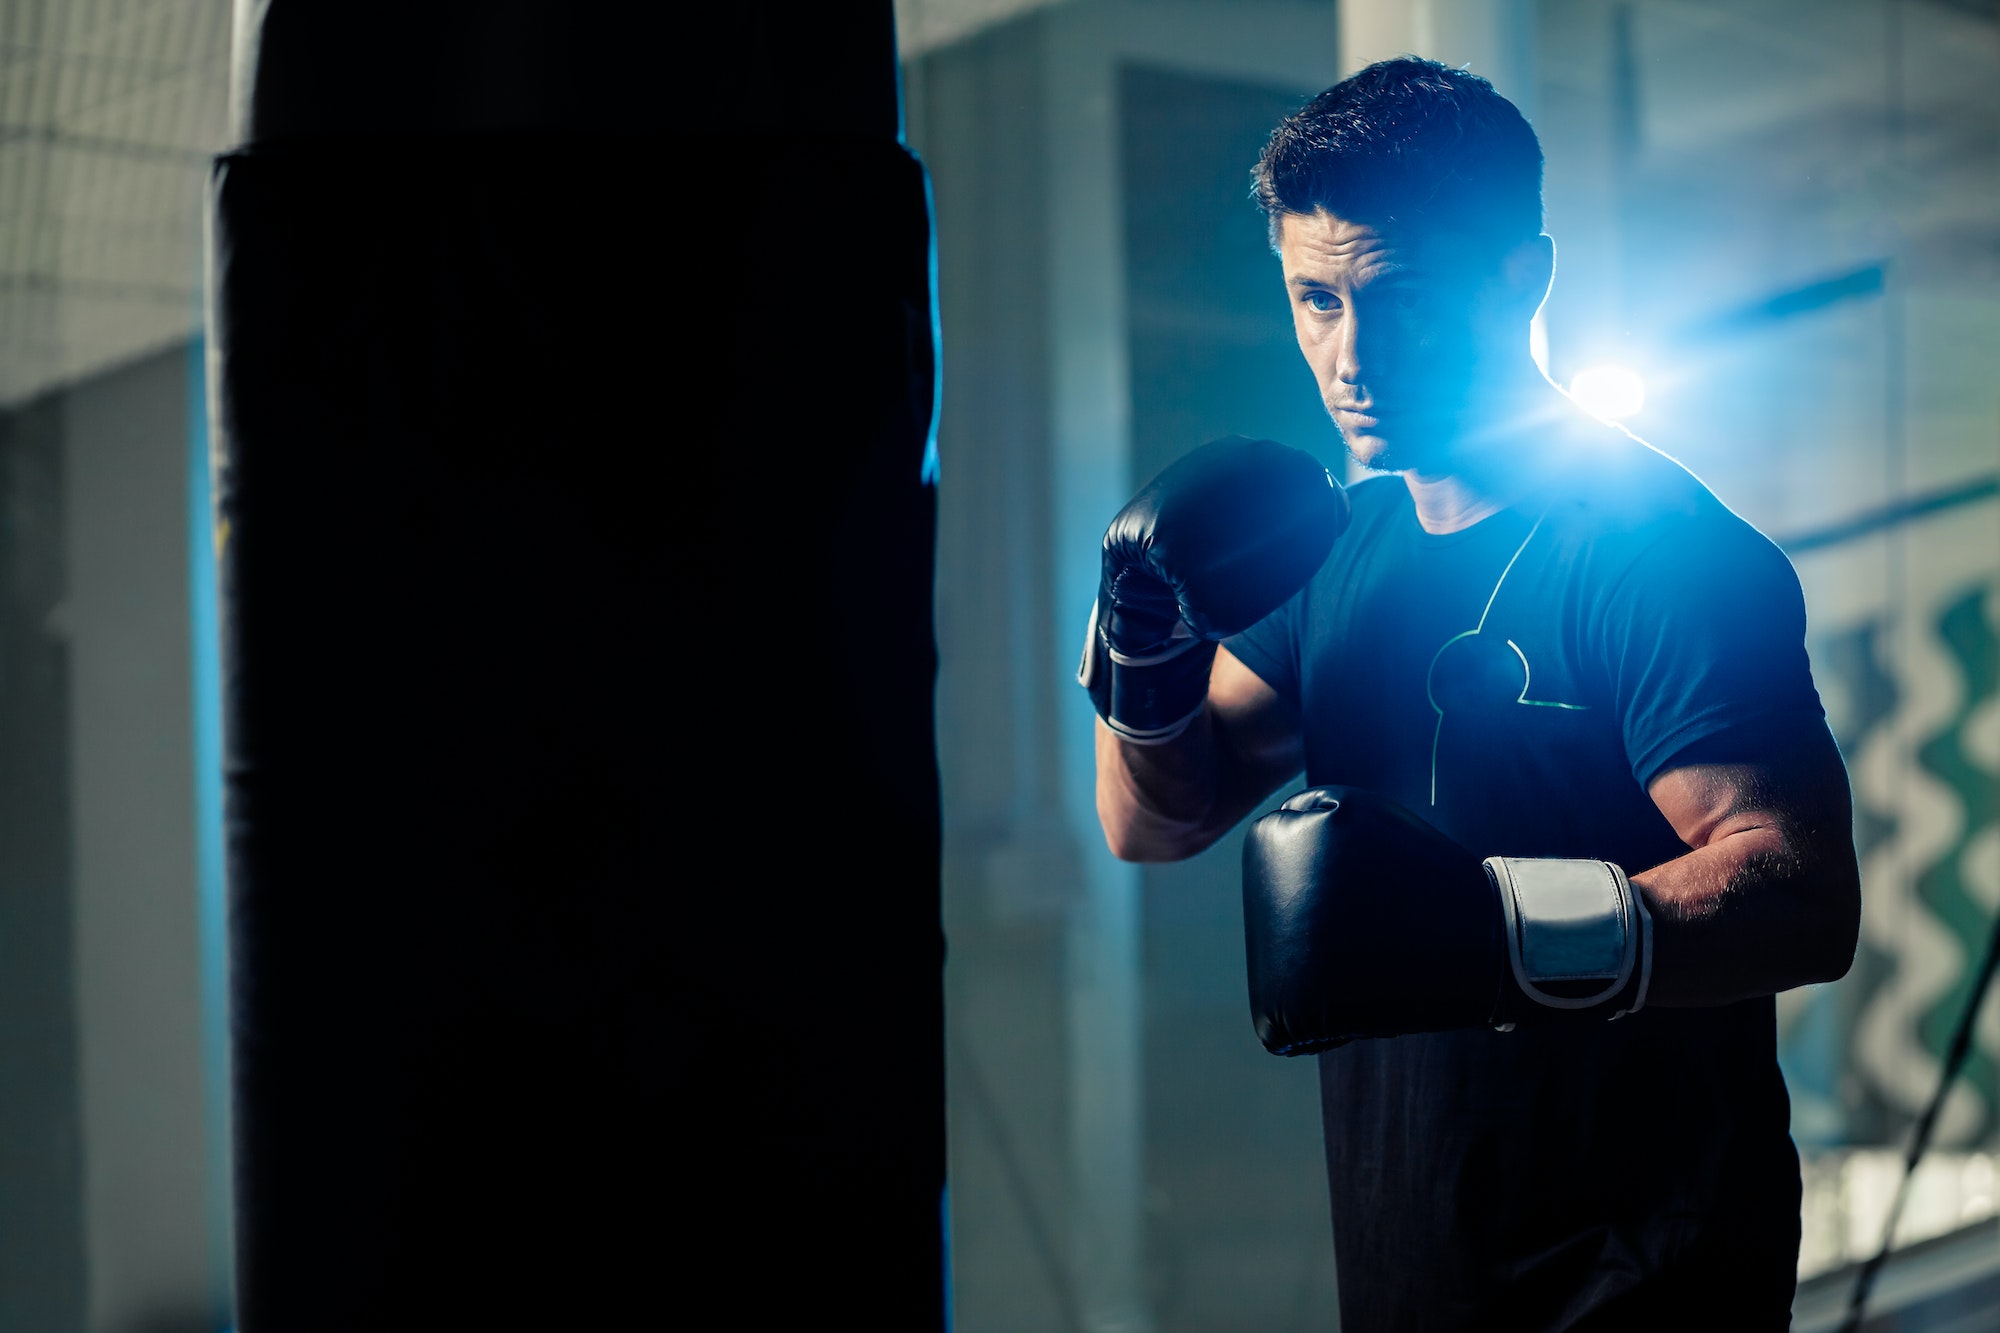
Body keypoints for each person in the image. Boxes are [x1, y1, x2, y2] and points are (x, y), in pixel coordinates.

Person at [1080, 58, 1861, 1330]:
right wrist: (1137, 649)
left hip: (1643, 1270)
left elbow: (1797, 888)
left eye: (1403, 301)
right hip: (1412, 1260)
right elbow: (1154, 818)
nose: (1354, 356)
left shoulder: (1654, 553)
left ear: (1520, 279)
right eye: (1315, 299)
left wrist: (1495, 934)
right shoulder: (1326, 550)